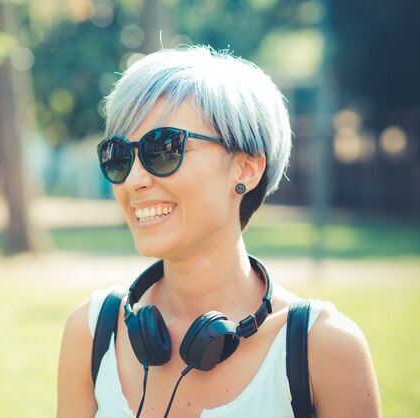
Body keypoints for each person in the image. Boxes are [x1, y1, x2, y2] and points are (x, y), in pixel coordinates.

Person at [57, 46, 380, 418]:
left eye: (162, 149)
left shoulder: (325, 350)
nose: (132, 180)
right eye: (119, 156)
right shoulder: (92, 332)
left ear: (245, 169)